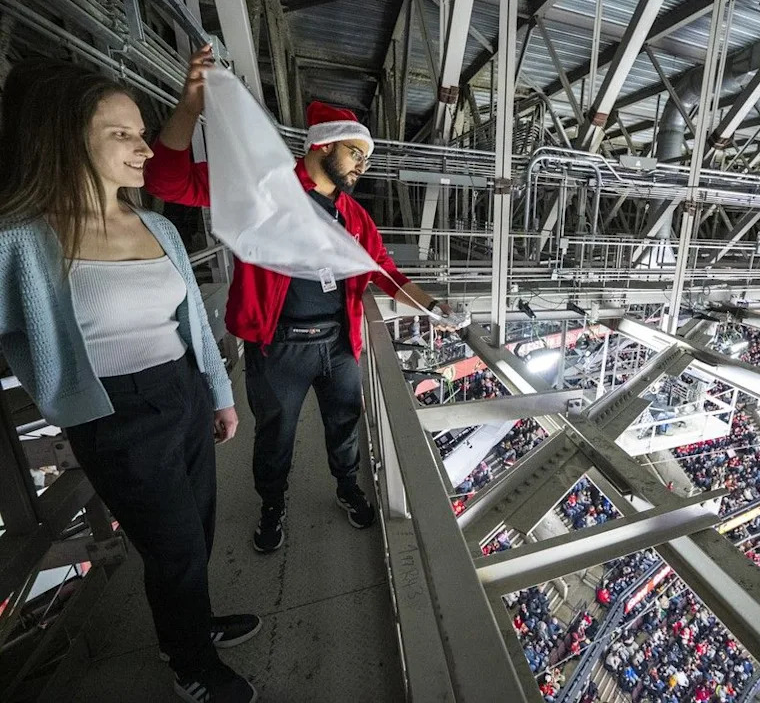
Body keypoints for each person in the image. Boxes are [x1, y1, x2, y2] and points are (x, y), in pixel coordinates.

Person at [0, 60, 259, 702]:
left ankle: (192, 625)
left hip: (182, 391)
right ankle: (189, 662)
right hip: (113, 413)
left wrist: (219, 394)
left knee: (196, 532)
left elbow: (192, 321)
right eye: (123, 135)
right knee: (172, 548)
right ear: (65, 141)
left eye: (143, 133)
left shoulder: (159, 226)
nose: (145, 148)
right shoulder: (22, 240)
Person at [145, 46, 453, 550]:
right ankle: (272, 505)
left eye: (366, 159)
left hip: (337, 345)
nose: (362, 167)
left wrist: (434, 308)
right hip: (279, 347)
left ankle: (347, 487)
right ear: (323, 146)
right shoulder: (261, 191)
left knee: (345, 427)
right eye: (356, 154)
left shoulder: (354, 218)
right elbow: (166, 180)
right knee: (276, 438)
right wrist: (190, 107)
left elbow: (384, 273)